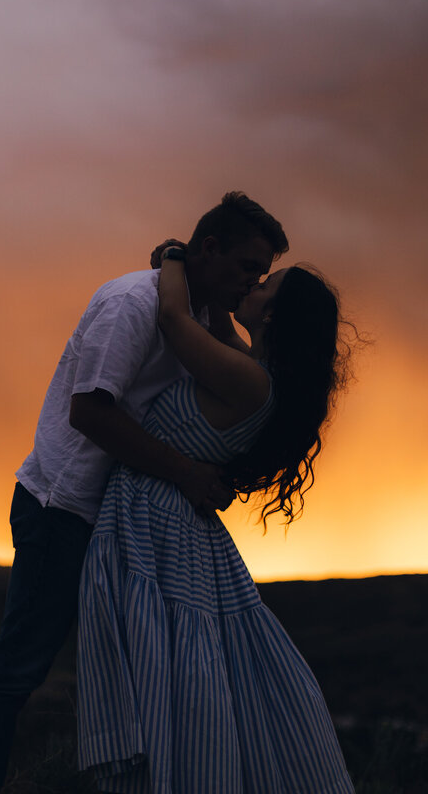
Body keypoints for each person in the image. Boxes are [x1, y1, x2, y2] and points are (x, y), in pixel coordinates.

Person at [0, 193, 290, 794]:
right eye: (247, 268)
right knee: (18, 669)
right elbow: (90, 413)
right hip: (62, 507)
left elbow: (250, 380)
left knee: (126, 679)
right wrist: (186, 473)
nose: (251, 283)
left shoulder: (194, 318)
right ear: (209, 250)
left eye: (261, 276)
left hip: (115, 522)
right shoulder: (131, 304)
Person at [76, 249, 355, 792]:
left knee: (164, 664)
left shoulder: (248, 380)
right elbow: (219, 326)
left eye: (264, 284)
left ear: (272, 315)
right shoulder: (251, 370)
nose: (252, 283)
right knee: (177, 663)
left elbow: (175, 319)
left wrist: (179, 258)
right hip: (169, 520)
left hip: (154, 520)